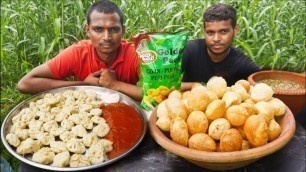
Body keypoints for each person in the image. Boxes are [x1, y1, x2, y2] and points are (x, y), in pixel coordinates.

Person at [17, 0, 142, 101]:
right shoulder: (77, 53)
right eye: (98, 29)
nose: (107, 37)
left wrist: (115, 85)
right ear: (87, 30)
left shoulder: (137, 54)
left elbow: (159, 96)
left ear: (123, 30)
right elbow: (25, 84)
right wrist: (83, 85)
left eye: (114, 29)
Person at [181, 3, 260, 90]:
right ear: (204, 31)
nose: (216, 39)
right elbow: (164, 84)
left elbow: (265, 87)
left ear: (235, 30)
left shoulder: (242, 64)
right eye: (210, 32)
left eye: (223, 32)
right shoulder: (190, 50)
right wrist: (195, 85)